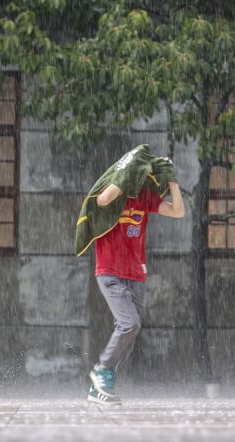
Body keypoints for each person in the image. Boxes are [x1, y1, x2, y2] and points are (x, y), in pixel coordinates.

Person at [78, 148, 185, 406]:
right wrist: (128, 170)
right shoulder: (114, 194)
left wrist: (172, 180)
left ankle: (99, 387)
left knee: (129, 331)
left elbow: (178, 211)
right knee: (130, 324)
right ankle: (102, 369)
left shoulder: (145, 198)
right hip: (110, 273)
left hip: (136, 274)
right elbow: (102, 200)